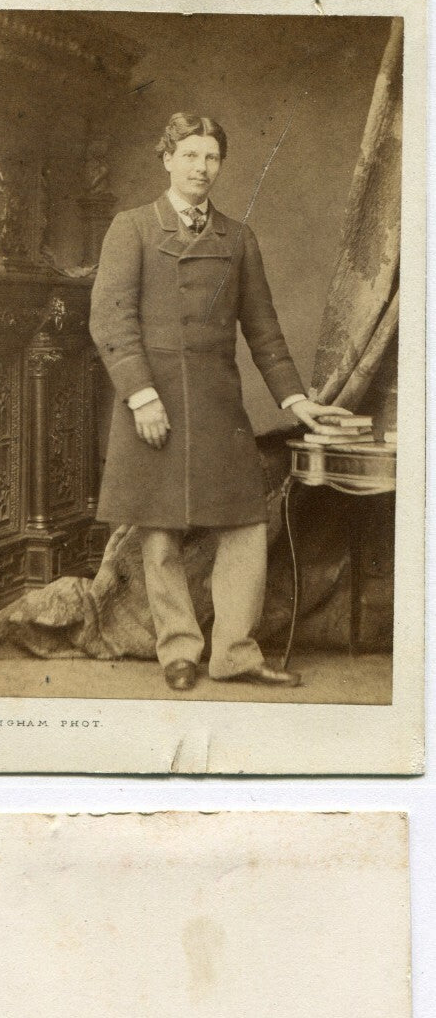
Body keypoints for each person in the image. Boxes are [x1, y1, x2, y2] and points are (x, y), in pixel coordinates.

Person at [90, 111, 344, 691]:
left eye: (211, 157)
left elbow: (264, 329)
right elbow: (110, 318)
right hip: (150, 401)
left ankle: (234, 651)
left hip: (217, 403)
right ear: (167, 159)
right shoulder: (130, 228)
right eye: (190, 155)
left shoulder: (238, 237)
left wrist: (296, 400)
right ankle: (178, 649)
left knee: (245, 525)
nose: (201, 168)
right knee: (158, 529)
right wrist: (140, 395)